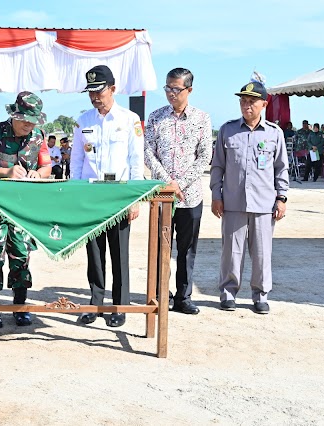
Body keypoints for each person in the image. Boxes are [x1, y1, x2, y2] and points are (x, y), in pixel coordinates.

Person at [71, 65, 145, 328]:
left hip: (118, 194)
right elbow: (77, 162)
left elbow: (136, 161)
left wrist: (135, 198)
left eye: (99, 91)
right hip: (91, 195)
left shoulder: (129, 119)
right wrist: (75, 195)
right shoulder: (84, 120)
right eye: (90, 92)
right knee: (94, 253)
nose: (94, 97)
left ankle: (120, 305)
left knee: (119, 253)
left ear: (113, 89)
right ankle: (95, 303)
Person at [0, 91, 51, 329]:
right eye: (25, 118)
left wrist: (39, 173)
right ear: (14, 115)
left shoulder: (38, 136)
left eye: (33, 120)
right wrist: (5, 173)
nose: (29, 124)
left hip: (22, 209)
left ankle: (19, 306)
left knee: (21, 256)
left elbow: (46, 166)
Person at [210, 81, 288, 315]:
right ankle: (228, 293)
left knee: (262, 252)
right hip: (233, 201)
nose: (246, 105)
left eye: (252, 101)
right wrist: (216, 194)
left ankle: (261, 295)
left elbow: (281, 168)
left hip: (264, 204)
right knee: (231, 252)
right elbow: (218, 166)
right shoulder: (228, 130)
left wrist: (281, 197)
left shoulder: (274, 133)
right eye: (243, 100)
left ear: (264, 104)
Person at [144, 67, 212, 315]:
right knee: (160, 246)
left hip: (189, 197)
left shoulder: (201, 119)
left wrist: (180, 184)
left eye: (176, 89)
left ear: (189, 90)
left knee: (186, 249)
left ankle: (183, 297)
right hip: (161, 195)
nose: (171, 93)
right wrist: (167, 182)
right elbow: (148, 153)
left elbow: (205, 156)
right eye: (167, 88)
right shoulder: (155, 117)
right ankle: (161, 294)